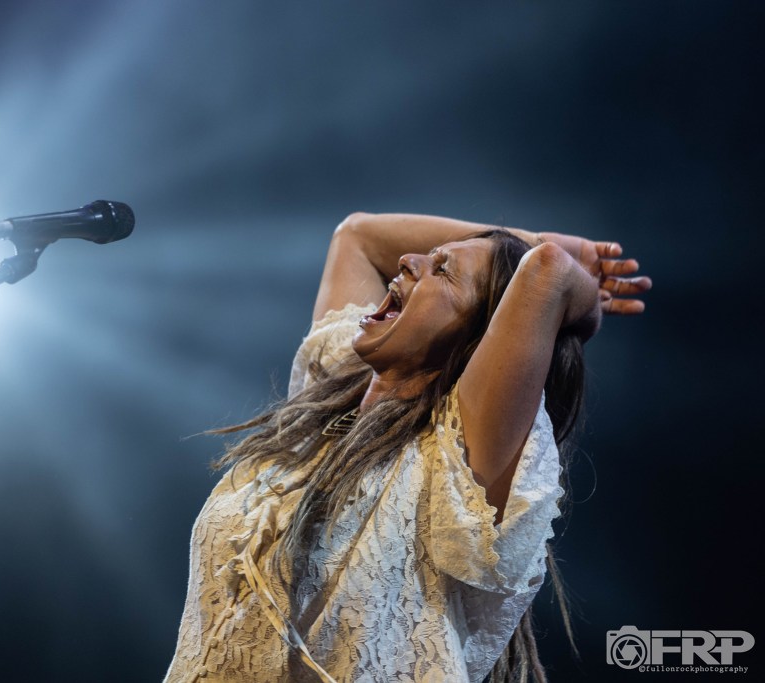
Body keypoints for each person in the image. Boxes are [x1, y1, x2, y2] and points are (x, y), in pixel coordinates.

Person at [163, 212, 651, 682]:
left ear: (476, 343)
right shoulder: (329, 401)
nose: (407, 260)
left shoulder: (457, 456)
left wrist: (564, 279)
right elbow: (357, 235)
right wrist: (521, 237)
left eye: (443, 271)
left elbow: (547, 269)